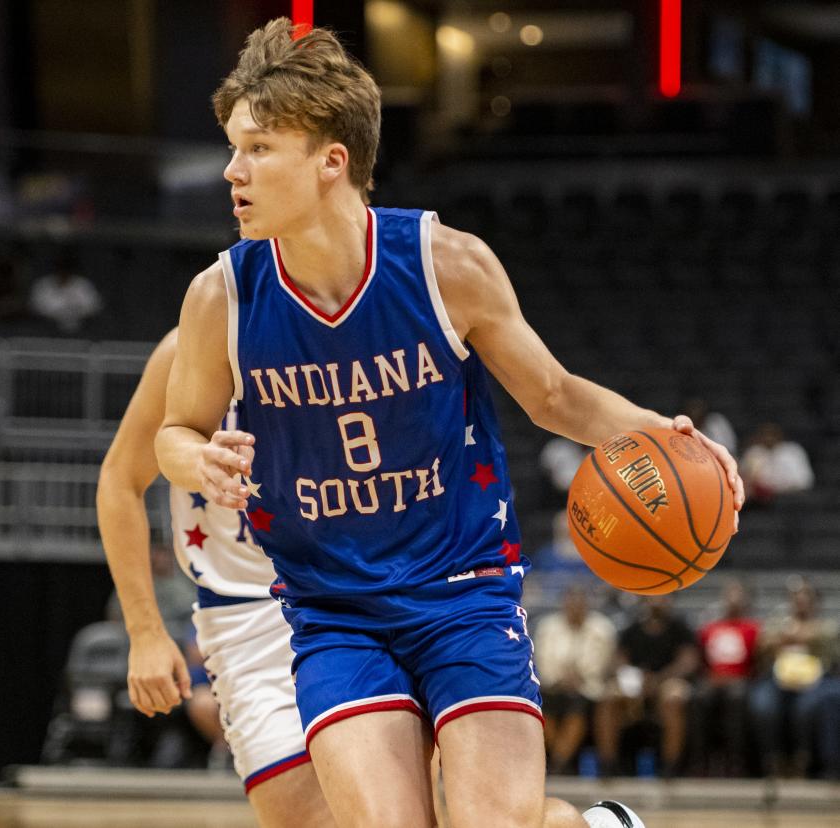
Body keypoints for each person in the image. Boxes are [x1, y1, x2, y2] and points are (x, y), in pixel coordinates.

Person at [155, 19, 742, 827]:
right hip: (334, 610)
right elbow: (173, 431)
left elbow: (555, 396)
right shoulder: (220, 296)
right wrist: (198, 462)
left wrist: (669, 434)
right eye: (232, 147)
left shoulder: (445, 265)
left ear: (331, 161)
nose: (232, 171)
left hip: (462, 594)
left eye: (257, 148)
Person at [97, 329, 334, 827]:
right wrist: (145, 633)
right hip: (244, 616)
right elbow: (120, 481)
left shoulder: (372, 329)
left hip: (356, 596)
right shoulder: (189, 347)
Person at [594, 595, 698, 778]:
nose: (657, 601)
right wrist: (635, 678)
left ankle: (670, 766)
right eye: (653, 598)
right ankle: (608, 764)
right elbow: (618, 661)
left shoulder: (680, 628)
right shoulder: (632, 628)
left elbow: (688, 662)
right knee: (608, 697)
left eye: (663, 597)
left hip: (667, 680)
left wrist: (658, 679)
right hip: (636, 683)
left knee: (673, 698)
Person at [748, 578, 839, 777]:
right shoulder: (778, 623)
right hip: (778, 680)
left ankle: (802, 760)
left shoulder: (827, 626)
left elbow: (832, 652)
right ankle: (773, 760)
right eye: (797, 598)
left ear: (815, 602)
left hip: (816, 680)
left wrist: (804, 635)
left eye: (806, 597)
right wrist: (784, 637)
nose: (801, 602)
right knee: (763, 705)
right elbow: (763, 644)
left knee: (806, 708)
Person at [533, 584, 616, 775]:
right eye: (571, 601)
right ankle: (558, 760)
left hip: (588, 689)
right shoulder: (548, 627)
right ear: (564, 603)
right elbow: (543, 661)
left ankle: (559, 763)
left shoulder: (602, 628)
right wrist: (560, 678)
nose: (576, 606)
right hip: (553, 686)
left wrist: (579, 677)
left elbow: (601, 663)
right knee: (545, 705)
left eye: (580, 602)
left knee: (576, 706)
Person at [691, 578, 759, 776]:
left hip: (740, 680)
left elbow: (757, 663)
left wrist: (743, 678)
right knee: (700, 697)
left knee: (735, 697)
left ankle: (735, 760)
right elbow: (701, 662)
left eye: (738, 595)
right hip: (712, 679)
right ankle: (700, 760)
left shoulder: (753, 628)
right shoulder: (710, 628)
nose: (733, 599)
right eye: (730, 594)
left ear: (747, 600)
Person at [28, 251, 103, 334]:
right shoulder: (43, 284)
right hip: (47, 328)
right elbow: (35, 307)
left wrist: (73, 313)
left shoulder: (82, 285)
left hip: (82, 328)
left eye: (65, 269)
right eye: (60, 268)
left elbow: (94, 306)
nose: (63, 272)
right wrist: (57, 314)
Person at [740, 422, 814, 505]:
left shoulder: (792, 451)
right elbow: (745, 482)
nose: (768, 437)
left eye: (772, 434)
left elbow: (804, 481)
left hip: (792, 499)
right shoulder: (754, 452)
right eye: (766, 434)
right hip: (762, 502)